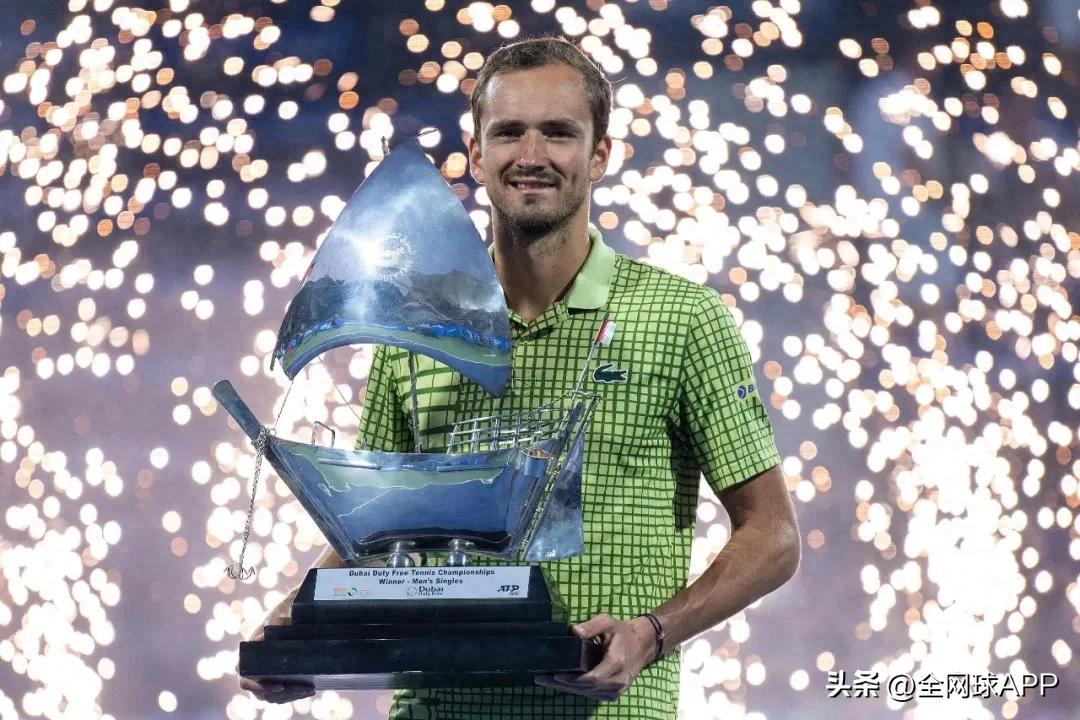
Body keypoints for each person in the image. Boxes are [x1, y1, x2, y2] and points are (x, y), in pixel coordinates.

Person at [243, 36, 800, 719]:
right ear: (477, 154)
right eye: (509, 133)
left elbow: (773, 536)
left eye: (559, 133)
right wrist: (291, 627)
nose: (531, 156)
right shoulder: (413, 327)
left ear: (600, 155)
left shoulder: (682, 319)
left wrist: (652, 634)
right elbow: (374, 535)